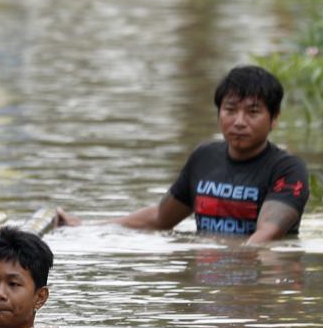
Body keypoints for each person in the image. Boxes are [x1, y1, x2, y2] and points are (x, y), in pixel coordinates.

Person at [112, 65, 310, 244]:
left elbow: (266, 235)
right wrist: (93, 227)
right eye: (230, 110)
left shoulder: (288, 169)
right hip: (208, 274)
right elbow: (159, 218)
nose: (239, 121)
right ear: (219, 113)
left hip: (260, 274)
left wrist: (231, 272)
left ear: (274, 119)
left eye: (252, 112)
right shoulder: (203, 158)